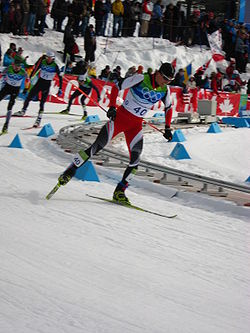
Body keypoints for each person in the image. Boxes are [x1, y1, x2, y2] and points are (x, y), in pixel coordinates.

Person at [57, 62, 175, 205]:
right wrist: (112, 106)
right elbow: (117, 87)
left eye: (170, 80)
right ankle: (71, 170)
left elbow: (168, 107)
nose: (166, 82)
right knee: (96, 147)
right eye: (165, 78)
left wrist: (168, 128)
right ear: (157, 73)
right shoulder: (140, 78)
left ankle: (120, 191)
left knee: (136, 159)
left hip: (135, 126)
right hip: (120, 119)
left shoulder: (165, 90)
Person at [13, 51, 62, 127]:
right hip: (40, 82)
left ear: (53, 58)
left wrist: (60, 88)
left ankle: (39, 119)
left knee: (42, 103)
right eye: (47, 57)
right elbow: (35, 69)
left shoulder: (55, 66)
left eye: (50, 58)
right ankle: (23, 111)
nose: (48, 59)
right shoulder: (42, 62)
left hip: (47, 84)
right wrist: (30, 77)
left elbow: (60, 77)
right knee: (29, 97)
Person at [0, 59, 27, 134]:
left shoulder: (23, 72)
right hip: (7, 87)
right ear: (13, 65)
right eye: (15, 66)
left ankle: (6, 125)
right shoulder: (9, 68)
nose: (17, 68)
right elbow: (1, 74)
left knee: (10, 106)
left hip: (15, 89)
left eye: (18, 66)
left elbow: (28, 79)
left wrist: (26, 88)